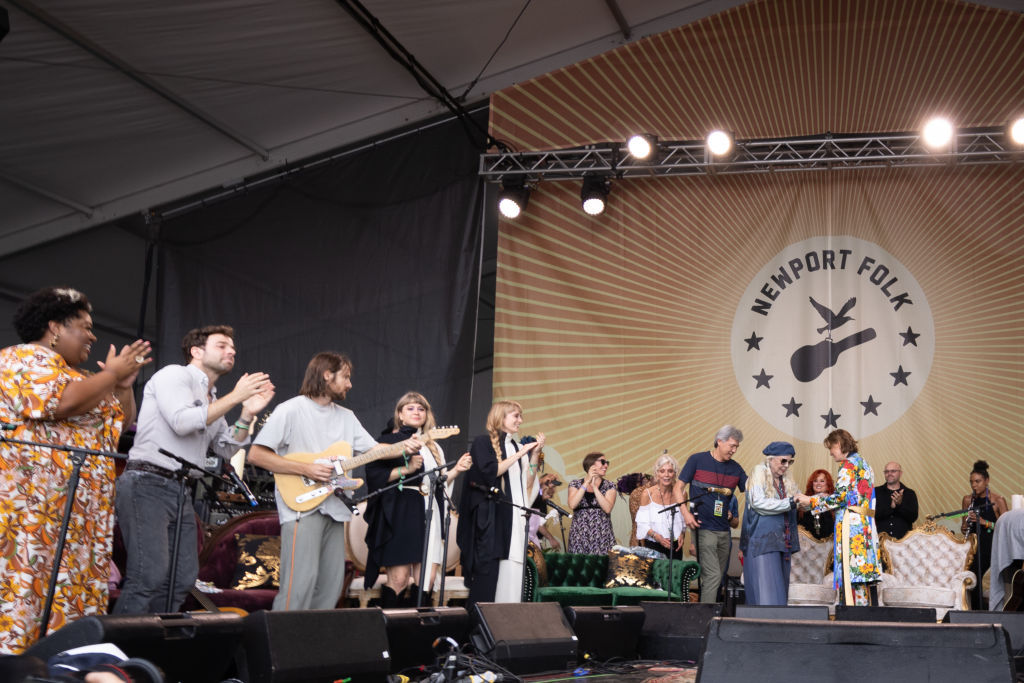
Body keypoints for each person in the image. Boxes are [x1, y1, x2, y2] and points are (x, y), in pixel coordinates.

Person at [0, 287, 151, 654]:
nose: (93, 335)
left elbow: (118, 426)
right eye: (85, 326)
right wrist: (109, 375)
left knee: (69, 594)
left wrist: (122, 385)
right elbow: (59, 404)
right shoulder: (21, 359)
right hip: (36, 513)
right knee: (29, 587)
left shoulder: (78, 376)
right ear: (55, 328)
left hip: (78, 517)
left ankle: (62, 663)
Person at [114, 325, 273, 615]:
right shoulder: (175, 375)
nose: (232, 351)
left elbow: (225, 449)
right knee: (147, 576)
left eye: (233, 347)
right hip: (147, 480)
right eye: (222, 345)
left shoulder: (213, 397)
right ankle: (117, 652)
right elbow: (183, 422)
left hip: (180, 490)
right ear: (196, 352)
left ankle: (154, 646)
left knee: (182, 579)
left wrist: (248, 415)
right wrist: (236, 398)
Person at [247, 352, 422, 611]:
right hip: (301, 507)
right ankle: (283, 646)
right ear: (327, 375)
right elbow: (256, 454)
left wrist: (406, 446)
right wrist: (306, 468)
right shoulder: (290, 410)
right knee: (299, 585)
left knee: (331, 587)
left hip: (335, 507)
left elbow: (375, 450)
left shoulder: (346, 417)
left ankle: (314, 646)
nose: (350, 384)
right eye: (346, 377)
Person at [363, 392, 471, 607]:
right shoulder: (388, 442)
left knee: (427, 580)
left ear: (427, 415)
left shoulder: (434, 446)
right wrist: (406, 469)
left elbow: (437, 483)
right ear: (400, 415)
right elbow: (375, 476)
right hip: (402, 510)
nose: (416, 412)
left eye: (421, 408)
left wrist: (457, 470)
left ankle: (415, 632)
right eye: (410, 408)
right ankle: (390, 634)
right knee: (400, 579)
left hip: (430, 510)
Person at [457, 400, 544, 606]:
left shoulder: (514, 445)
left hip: (514, 517)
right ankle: (480, 629)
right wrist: (521, 452)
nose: (520, 421)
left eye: (520, 416)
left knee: (513, 568)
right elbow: (491, 472)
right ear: (500, 417)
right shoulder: (483, 442)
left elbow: (528, 483)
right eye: (516, 416)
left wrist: (535, 453)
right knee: (490, 573)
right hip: (493, 519)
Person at [806, 429, 880, 606]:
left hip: (851, 526)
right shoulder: (864, 463)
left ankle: (852, 616)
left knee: (851, 572)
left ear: (838, 444)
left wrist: (811, 502)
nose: (831, 452)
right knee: (861, 574)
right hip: (863, 524)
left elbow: (841, 497)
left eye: (831, 448)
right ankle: (862, 612)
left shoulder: (848, 465)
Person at [679, 425, 748, 603]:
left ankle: (712, 616)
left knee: (718, 579)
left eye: (737, 447)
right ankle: (706, 620)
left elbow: (752, 491)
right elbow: (678, 488)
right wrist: (685, 513)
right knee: (713, 576)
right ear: (719, 441)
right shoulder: (697, 460)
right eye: (731, 445)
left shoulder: (736, 468)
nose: (734, 450)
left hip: (725, 532)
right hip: (703, 528)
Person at [739, 442, 803, 606]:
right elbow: (758, 504)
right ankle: (767, 630)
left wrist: (814, 502)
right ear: (771, 459)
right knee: (768, 596)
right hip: (762, 541)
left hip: (783, 542)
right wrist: (790, 502)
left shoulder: (785, 480)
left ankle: (779, 629)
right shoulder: (758, 472)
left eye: (790, 462)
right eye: (783, 461)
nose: (786, 465)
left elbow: (798, 499)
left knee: (779, 595)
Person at [960, 459, 1008, 609]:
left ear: (987, 480)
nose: (974, 485)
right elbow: (963, 527)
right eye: (971, 482)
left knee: (977, 573)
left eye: (978, 481)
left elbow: (1005, 528)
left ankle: (981, 610)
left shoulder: (998, 500)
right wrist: (966, 524)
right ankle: (974, 609)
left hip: (992, 545)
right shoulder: (968, 500)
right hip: (973, 545)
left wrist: (984, 522)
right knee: (971, 575)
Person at [635, 453, 685, 557]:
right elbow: (641, 523)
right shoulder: (647, 494)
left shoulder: (682, 494)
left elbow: (684, 518)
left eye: (670, 471)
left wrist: (682, 533)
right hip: (654, 545)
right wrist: (656, 536)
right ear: (657, 474)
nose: (666, 475)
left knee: (675, 573)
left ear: (675, 474)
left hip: (675, 546)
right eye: (662, 471)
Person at [567, 452, 618, 554]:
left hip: (602, 535)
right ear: (591, 464)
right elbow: (572, 504)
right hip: (579, 536)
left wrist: (595, 487)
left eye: (607, 462)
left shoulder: (610, 485)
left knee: (602, 567)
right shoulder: (575, 484)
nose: (606, 465)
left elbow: (607, 508)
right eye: (603, 462)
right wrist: (586, 482)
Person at [874, 461, 918, 540]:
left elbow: (913, 517)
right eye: (886, 471)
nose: (889, 473)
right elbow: (872, 515)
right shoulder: (875, 492)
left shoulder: (910, 493)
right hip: (880, 541)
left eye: (893, 471)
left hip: (903, 542)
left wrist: (900, 505)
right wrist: (891, 507)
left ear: (900, 473)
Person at [798, 469, 835, 540]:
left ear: (828, 484)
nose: (818, 483)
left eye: (822, 481)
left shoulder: (834, 502)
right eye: (815, 481)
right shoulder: (803, 501)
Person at [529, 473, 563, 551]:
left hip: (535, 537)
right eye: (553, 486)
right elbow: (536, 522)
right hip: (528, 538)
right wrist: (551, 539)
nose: (553, 490)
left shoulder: (541, 499)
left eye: (554, 487)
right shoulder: (534, 495)